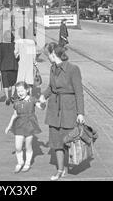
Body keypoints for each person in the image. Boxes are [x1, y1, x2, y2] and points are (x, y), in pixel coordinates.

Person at [40, 42, 85, 181]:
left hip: (69, 109)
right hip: (54, 108)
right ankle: (60, 170)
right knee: (56, 141)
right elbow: (51, 88)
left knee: (67, 140)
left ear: (54, 54)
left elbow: (79, 93)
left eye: (48, 55)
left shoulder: (73, 69)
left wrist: (80, 113)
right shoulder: (53, 68)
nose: (47, 57)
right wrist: (43, 96)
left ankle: (66, 166)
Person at [5, 81, 44, 173]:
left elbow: (41, 107)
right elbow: (14, 115)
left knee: (28, 146)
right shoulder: (16, 102)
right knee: (18, 147)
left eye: (22, 91)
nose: (20, 93)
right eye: (18, 91)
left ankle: (27, 163)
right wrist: (9, 126)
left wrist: (42, 101)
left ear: (27, 90)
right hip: (19, 125)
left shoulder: (32, 99)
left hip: (30, 125)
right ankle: (20, 162)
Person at [0, 31, 18, 106]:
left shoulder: (1, 45)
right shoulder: (15, 44)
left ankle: (7, 97)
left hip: (4, 67)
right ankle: (12, 95)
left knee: (5, 83)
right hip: (13, 66)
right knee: (13, 83)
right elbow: (17, 56)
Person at [14, 27, 36, 94]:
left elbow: (15, 53)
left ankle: (21, 96)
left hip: (21, 62)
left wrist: (17, 56)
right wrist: (34, 62)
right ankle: (29, 96)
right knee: (29, 80)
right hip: (29, 62)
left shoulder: (18, 42)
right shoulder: (31, 42)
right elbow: (33, 54)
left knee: (21, 80)